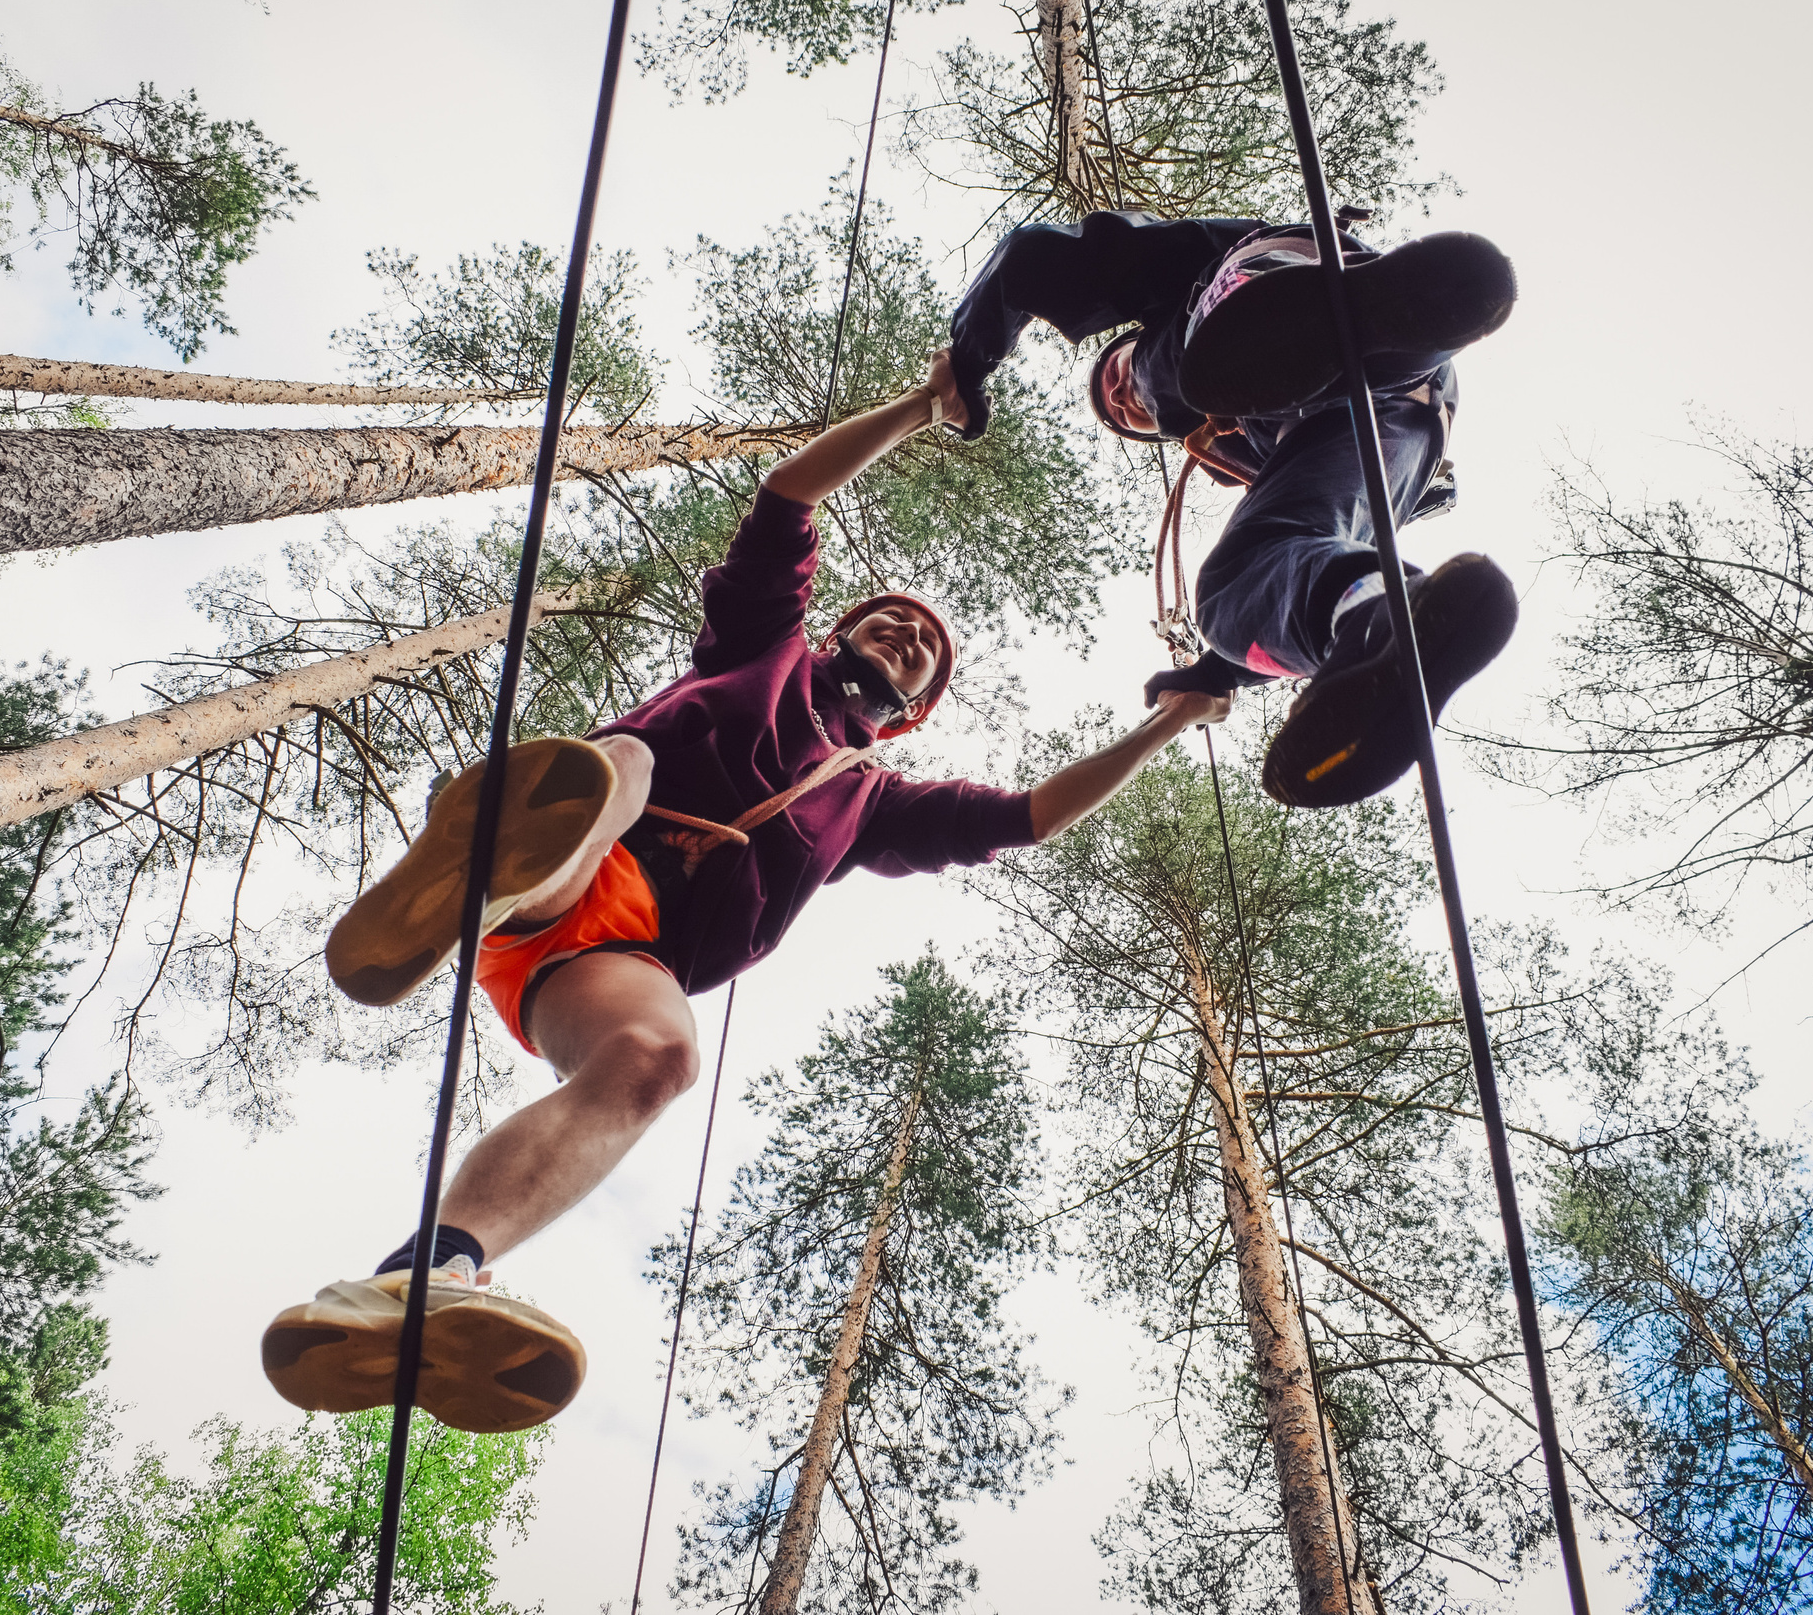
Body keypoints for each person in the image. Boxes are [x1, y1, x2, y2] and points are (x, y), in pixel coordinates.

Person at [260, 351, 1231, 1434]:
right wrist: (917, 407)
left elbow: (1032, 814)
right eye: (890, 618)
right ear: (836, 632)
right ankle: (501, 869)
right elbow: (788, 496)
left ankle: (424, 1277)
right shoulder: (761, 648)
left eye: (927, 649)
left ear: (911, 714)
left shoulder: (874, 801)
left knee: (660, 1057)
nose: (909, 631)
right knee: (616, 772)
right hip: (592, 851)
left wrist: (1165, 725)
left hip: (619, 957)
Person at [945, 210, 1521, 809]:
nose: (1119, 399)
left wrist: (967, 356)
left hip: (1278, 281)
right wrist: (1219, 671)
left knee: (1184, 378)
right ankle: (1376, 623)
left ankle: (1376, 318)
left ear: (1128, 334)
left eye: (1113, 377)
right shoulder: (1244, 442)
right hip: (1393, 424)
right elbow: (1285, 554)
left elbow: (1033, 257)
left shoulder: (1178, 285)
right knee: (1231, 590)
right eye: (1123, 417)